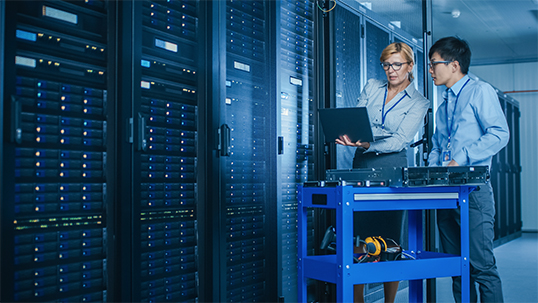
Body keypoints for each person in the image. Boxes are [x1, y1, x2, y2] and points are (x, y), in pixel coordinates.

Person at [336, 42, 430, 303]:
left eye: (397, 65)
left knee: (389, 239)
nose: (391, 70)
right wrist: (351, 134)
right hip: (362, 163)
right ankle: (358, 300)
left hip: (392, 166)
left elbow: (400, 139)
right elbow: (356, 117)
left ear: (410, 66)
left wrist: (367, 141)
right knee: (358, 233)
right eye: (387, 65)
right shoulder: (372, 86)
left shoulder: (420, 102)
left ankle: (389, 301)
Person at [427, 36, 509, 303]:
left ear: (454, 65)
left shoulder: (480, 91)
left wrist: (461, 157)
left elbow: (499, 134)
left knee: (481, 266)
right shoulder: (443, 106)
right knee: (457, 269)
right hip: (445, 191)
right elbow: (438, 146)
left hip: (473, 191)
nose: (430, 70)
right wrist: (432, 167)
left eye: (433, 64)